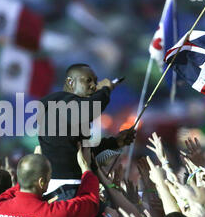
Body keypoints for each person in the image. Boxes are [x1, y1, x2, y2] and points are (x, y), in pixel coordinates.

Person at [38, 63, 136, 202]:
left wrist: (115, 142)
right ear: (70, 82)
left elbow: (81, 152)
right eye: (88, 81)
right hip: (63, 188)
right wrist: (105, 89)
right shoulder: (61, 102)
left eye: (95, 82)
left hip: (71, 186)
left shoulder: (73, 111)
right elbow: (90, 109)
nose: (94, 86)